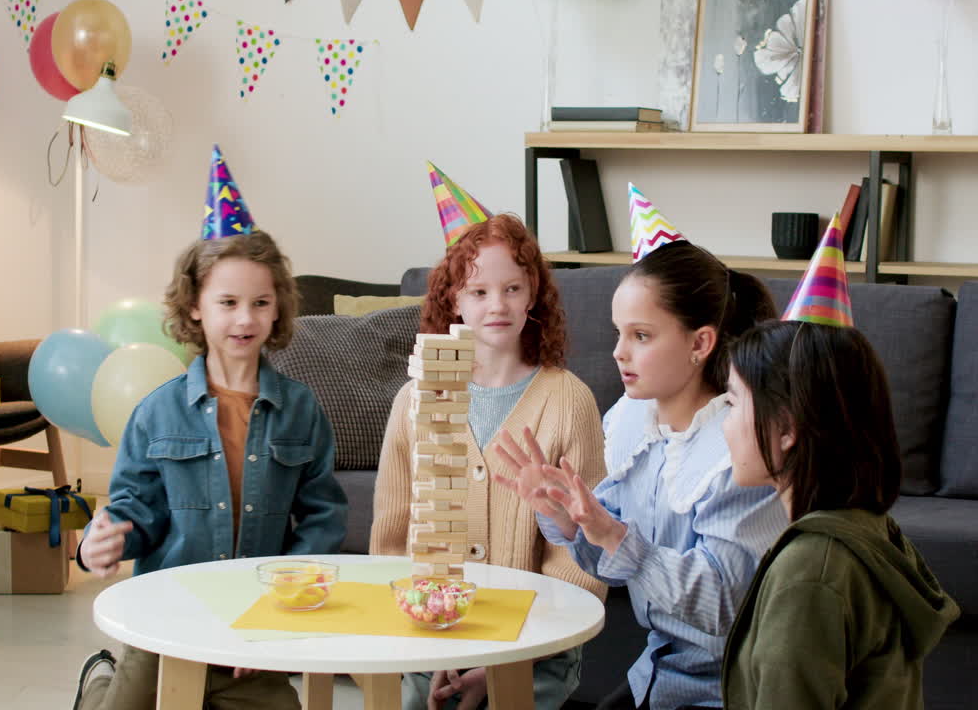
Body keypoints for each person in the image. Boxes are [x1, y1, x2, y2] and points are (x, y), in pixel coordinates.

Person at [495, 239, 788, 710]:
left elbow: (720, 604)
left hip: (730, 688)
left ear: (700, 343)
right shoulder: (636, 422)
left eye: (641, 336)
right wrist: (568, 518)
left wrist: (612, 534)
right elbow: (613, 562)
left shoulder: (736, 450)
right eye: (618, 333)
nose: (618, 352)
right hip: (659, 670)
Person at [72, 230, 348, 710]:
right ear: (196, 306)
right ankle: (100, 682)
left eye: (260, 302)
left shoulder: (302, 410)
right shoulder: (156, 412)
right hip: (165, 631)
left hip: (250, 637)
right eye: (228, 302)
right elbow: (134, 510)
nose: (245, 318)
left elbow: (323, 515)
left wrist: (280, 613)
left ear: (278, 307)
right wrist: (101, 541)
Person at [370, 213, 607, 710]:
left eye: (512, 288)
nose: (497, 305)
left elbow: (581, 557)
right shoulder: (415, 401)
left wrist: (502, 663)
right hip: (426, 640)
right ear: (454, 300)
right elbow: (391, 543)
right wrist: (432, 641)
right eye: (478, 292)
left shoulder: (569, 401)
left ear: (533, 293)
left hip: (538, 646)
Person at [720, 320, 960, 710]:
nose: (724, 425)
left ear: (786, 428)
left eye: (731, 403)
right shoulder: (872, 529)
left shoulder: (810, 570)